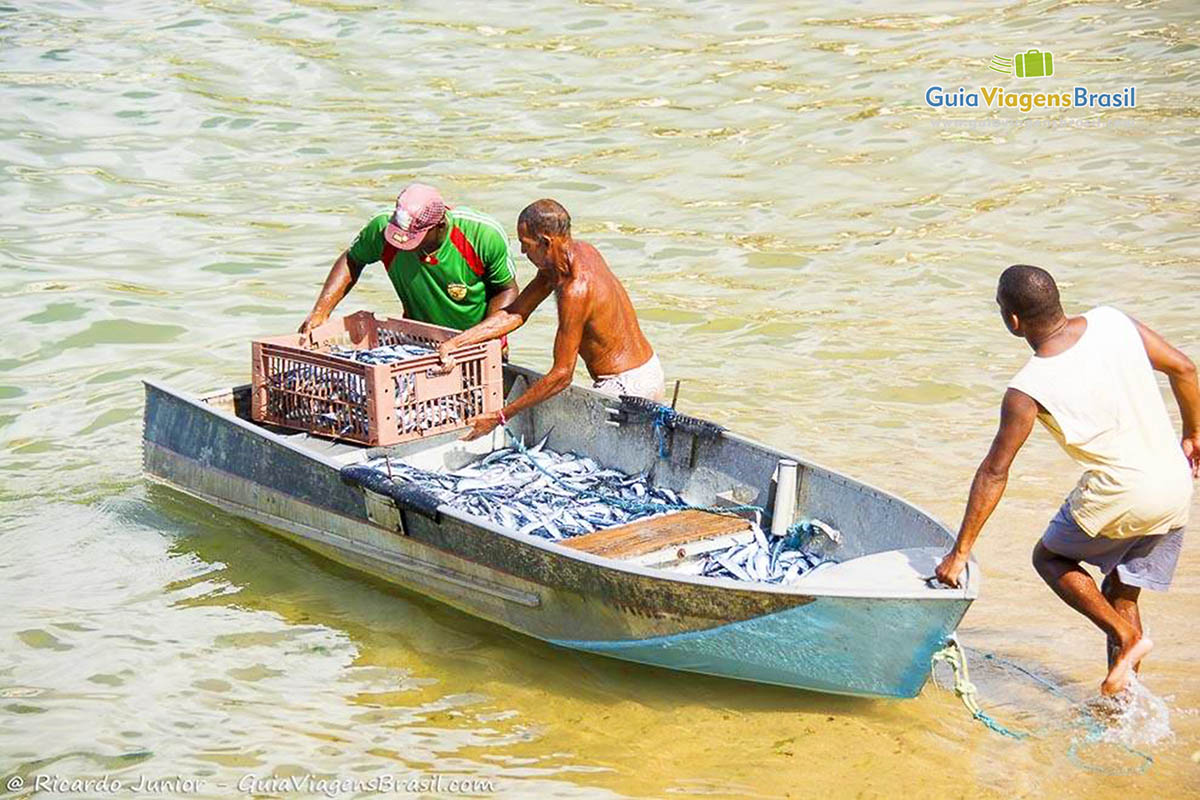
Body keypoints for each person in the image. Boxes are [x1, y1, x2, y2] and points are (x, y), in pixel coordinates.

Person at [935, 265, 1197, 696]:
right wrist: (1194, 434)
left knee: (1050, 558)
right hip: (1175, 483)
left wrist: (959, 554)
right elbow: (1184, 369)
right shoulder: (1114, 321)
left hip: (1124, 491)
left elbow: (995, 471)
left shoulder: (1027, 389)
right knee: (1121, 591)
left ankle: (1127, 638)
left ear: (1013, 321)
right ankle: (1122, 703)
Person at [436, 199, 665, 441]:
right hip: (649, 370)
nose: (523, 253)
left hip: (626, 386)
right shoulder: (576, 254)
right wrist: (457, 343)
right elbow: (516, 313)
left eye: (526, 245)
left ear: (546, 243)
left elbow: (562, 375)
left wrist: (500, 416)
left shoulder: (575, 289)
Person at [299, 183, 519, 334]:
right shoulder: (381, 228)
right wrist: (320, 312)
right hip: (419, 337)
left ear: (439, 225)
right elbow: (352, 260)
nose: (402, 243)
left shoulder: (483, 235)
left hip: (476, 339)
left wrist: (484, 337)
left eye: (415, 238)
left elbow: (506, 289)